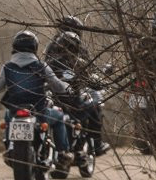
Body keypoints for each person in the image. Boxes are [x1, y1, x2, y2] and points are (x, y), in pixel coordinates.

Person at [0, 30, 71, 164]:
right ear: (34, 47)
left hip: (15, 110)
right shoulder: (41, 66)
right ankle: (61, 153)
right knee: (59, 117)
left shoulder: (7, 67)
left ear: (15, 46)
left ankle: (9, 148)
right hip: (39, 110)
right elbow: (57, 85)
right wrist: (67, 88)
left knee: (8, 117)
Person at [44, 15, 109, 155]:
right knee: (95, 105)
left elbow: (46, 66)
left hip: (54, 93)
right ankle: (97, 144)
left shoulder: (52, 47)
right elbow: (90, 70)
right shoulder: (78, 50)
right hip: (71, 95)